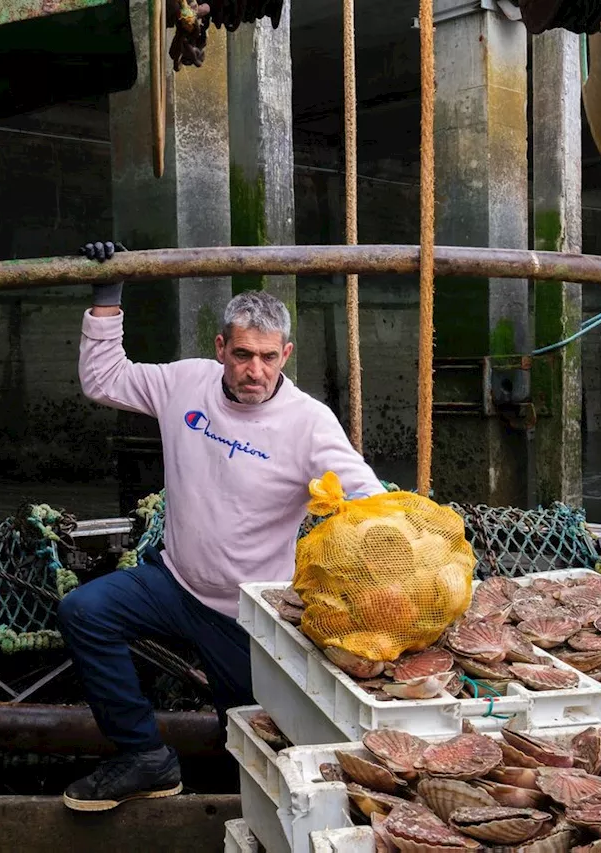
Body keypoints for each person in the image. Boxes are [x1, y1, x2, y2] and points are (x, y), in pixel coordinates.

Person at [58, 239, 384, 812]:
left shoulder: (309, 424)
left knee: (260, 736)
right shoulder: (185, 383)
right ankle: (144, 756)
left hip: (246, 611)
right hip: (173, 580)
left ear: (286, 354)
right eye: (241, 355)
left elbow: (370, 500)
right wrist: (107, 294)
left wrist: (412, 551)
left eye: (267, 357)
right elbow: (103, 379)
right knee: (84, 611)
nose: (253, 370)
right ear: (221, 349)